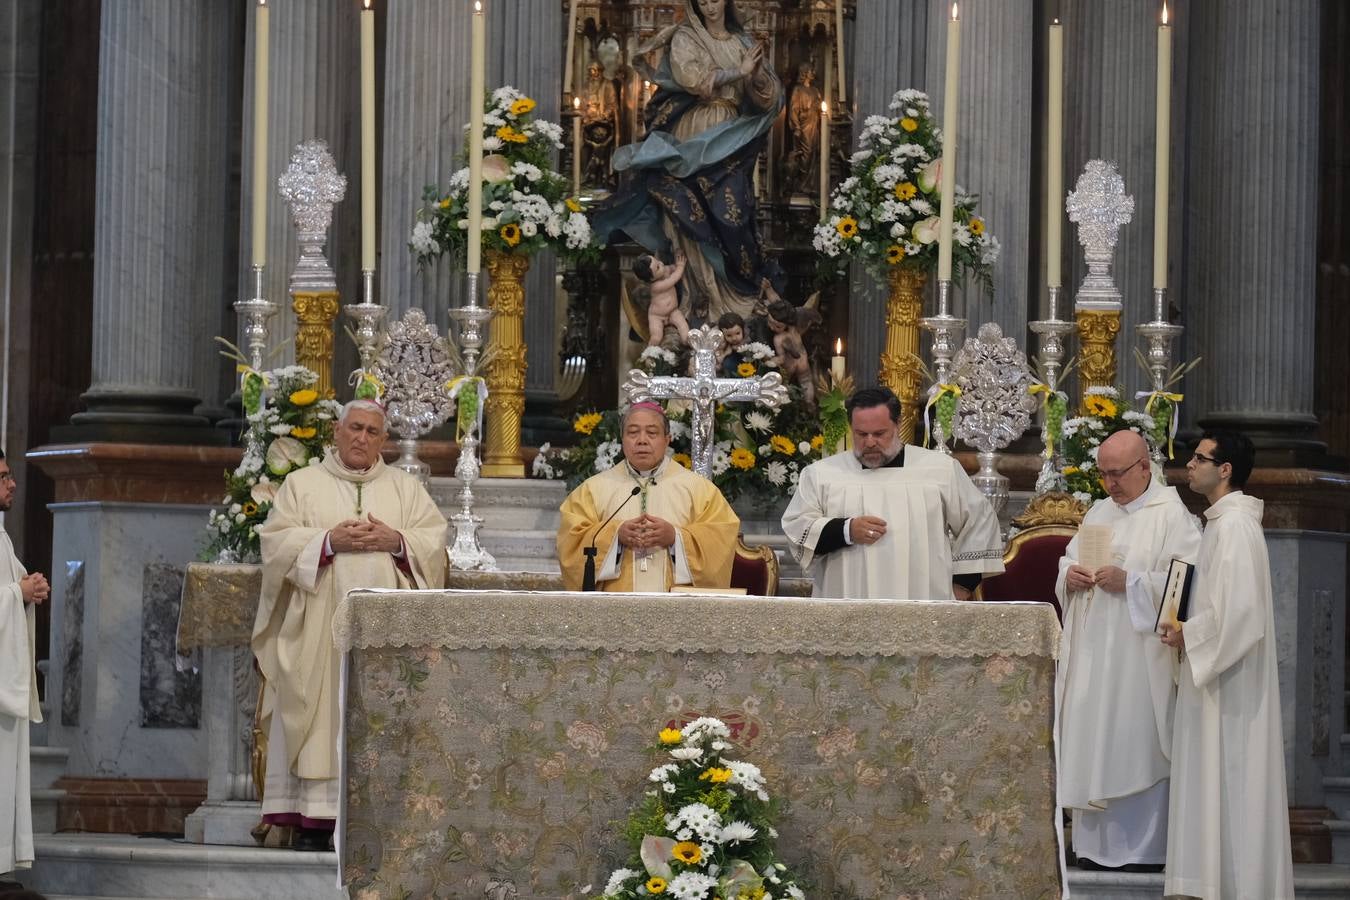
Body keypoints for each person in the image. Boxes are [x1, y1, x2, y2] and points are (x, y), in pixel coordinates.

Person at [251, 400, 447, 850]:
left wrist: (396, 540)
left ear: (384, 441)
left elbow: (432, 543)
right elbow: (276, 545)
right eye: (355, 428)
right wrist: (326, 541)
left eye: (373, 432)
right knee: (318, 712)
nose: (362, 438)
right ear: (337, 432)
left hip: (386, 635)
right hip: (317, 628)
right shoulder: (302, 485)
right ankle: (313, 821)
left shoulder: (404, 489)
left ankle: (381, 819)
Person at [1056, 429, 1202, 872]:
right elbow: (1067, 560)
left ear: (1144, 467)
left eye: (1117, 473)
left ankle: (1142, 851)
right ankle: (1091, 848)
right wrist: (1070, 576)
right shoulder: (1099, 511)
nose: (1109, 484)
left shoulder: (1171, 516)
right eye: (1102, 474)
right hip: (1093, 653)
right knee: (1091, 736)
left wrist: (1133, 583)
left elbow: (1186, 588)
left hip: (1140, 659)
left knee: (1132, 741)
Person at [1160, 432, 1294, 899]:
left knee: (1231, 786)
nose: (1189, 465)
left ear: (1225, 470)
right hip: (1213, 675)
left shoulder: (1236, 527)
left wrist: (1187, 634)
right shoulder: (1218, 524)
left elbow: (1241, 616)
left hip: (1229, 686)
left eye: (1200, 458)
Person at [592, 0, 783, 323]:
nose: (709, 7)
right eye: (703, 1)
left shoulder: (743, 42)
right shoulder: (685, 38)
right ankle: (697, 300)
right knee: (687, 214)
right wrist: (739, 71)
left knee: (733, 214)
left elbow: (769, 97)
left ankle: (735, 304)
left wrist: (758, 78)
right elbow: (692, 78)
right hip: (694, 134)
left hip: (732, 136)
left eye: (715, 0)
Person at [781, 387, 1004, 600]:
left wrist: (962, 585)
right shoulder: (821, 475)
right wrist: (846, 530)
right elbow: (798, 529)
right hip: (845, 605)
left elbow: (980, 521)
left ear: (898, 424)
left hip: (923, 603)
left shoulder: (940, 470)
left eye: (879, 433)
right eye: (861, 434)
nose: (869, 442)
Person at [557, 402, 739, 593]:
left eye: (652, 433)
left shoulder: (699, 490)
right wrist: (615, 536)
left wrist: (676, 538)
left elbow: (721, 541)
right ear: (622, 438)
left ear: (667, 439)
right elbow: (570, 543)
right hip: (614, 611)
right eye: (633, 432)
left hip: (679, 611)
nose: (642, 440)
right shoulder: (592, 490)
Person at [0, 451, 48, 890]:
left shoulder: (3, 539)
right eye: (2, 477)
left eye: (11, 475)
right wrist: (18, 591)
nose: (12, 484)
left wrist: (26, 591)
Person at [634, 251, 690, 347]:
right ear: (651, 279)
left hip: (673, 311)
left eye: (658, 261)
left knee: (683, 325)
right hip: (657, 316)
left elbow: (672, 268)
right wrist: (681, 266)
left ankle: (688, 342)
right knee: (656, 336)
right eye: (658, 267)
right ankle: (651, 352)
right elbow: (673, 279)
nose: (661, 264)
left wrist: (676, 263)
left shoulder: (664, 270)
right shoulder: (656, 286)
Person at [716, 312, 746, 377]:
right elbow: (718, 362)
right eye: (729, 335)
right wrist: (726, 353)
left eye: (738, 333)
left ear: (743, 330)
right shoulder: (722, 345)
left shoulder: (748, 341)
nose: (734, 338)